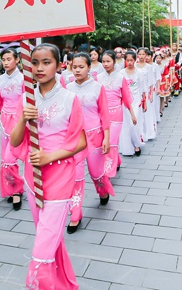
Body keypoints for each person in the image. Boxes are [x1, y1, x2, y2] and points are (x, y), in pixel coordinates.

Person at [10, 43, 86, 289]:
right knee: (50, 237)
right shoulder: (26, 98)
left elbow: (81, 141)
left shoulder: (69, 99)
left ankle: (39, 284)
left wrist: (49, 157)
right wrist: (24, 116)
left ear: (59, 65)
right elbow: (14, 140)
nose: (40, 68)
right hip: (33, 178)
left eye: (46, 62)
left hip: (60, 176)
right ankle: (63, 283)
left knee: (42, 245)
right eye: (35, 62)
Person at [66, 52, 113, 234]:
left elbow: (104, 114)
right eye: (74, 67)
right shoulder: (67, 88)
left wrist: (106, 138)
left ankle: (103, 192)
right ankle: (75, 214)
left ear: (89, 67)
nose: (77, 70)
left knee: (96, 174)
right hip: (75, 140)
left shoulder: (97, 88)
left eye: (81, 67)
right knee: (76, 178)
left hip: (95, 137)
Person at [0, 48, 25, 210]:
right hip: (4, 122)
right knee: (5, 161)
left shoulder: (24, 79)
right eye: (4, 59)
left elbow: (28, 101)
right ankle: (14, 190)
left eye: (9, 59)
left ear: (17, 60)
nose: (6, 62)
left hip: (19, 122)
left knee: (10, 160)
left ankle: (18, 189)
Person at [98, 50, 136, 174]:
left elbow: (126, 97)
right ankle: (117, 161)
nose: (105, 64)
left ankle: (109, 170)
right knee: (104, 141)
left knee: (112, 141)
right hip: (101, 115)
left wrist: (132, 114)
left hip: (116, 114)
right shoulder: (98, 78)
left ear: (114, 61)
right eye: (103, 61)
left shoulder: (121, 78)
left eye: (108, 61)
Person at [119, 50, 147, 156]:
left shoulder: (139, 73)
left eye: (131, 60)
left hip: (136, 101)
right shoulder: (121, 73)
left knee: (134, 123)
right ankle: (128, 144)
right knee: (127, 124)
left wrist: (145, 103)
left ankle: (137, 144)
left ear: (135, 60)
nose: (130, 62)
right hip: (125, 102)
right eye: (127, 60)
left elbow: (143, 88)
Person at [136, 48, 156, 141]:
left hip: (146, 92)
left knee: (147, 112)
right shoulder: (134, 66)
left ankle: (149, 133)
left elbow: (151, 82)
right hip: (136, 92)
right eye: (139, 54)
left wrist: (151, 94)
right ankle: (139, 133)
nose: (141, 56)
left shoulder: (149, 67)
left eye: (143, 54)